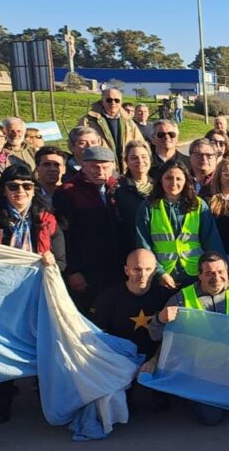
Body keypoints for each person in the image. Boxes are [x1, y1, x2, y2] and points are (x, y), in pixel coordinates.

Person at [0, 164, 64, 423]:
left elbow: (62, 258)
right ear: (3, 190)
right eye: (13, 186)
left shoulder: (46, 218)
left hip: (35, 290)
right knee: (4, 340)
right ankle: (4, 393)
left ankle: (42, 392)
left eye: (27, 186)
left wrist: (52, 263)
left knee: (39, 339)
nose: (20, 191)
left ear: (34, 189)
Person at [142, 252, 229, 425]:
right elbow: (155, 334)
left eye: (220, 272)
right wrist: (160, 319)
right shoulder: (182, 298)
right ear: (200, 275)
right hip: (200, 372)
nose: (216, 278)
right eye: (209, 273)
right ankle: (191, 396)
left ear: (227, 272)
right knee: (211, 418)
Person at [135, 159, 225, 289]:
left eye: (179, 179)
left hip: (197, 274)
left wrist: (218, 271)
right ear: (161, 180)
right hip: (163, 277)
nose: (174, 183)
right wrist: (160, 273)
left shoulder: (199, 205)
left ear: (186, 181)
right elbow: (144, 245)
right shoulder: (148, 207)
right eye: (169, 178)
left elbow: (212, 241)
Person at [53, 146, 122, 311]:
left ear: (113, 166)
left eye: (105, 167)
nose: (100, 171)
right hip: (87, 270)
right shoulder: (68, 192)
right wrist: (73, 271)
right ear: (83, 166)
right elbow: (65, 235)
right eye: (94, 166)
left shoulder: (118, 189)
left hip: (117, 266)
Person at [88, 249, 173, 368]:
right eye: (137, 269)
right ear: (126, 270)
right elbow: (96, 336)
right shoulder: (107, 298)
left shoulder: (165, 297)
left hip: (155, 360)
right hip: (117, 359)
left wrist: (155, 360)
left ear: (154, 271)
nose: (143, 275)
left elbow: (171, 336)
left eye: (148, 269)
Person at [76, 87, 143, 171]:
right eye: (109, 100)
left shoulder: (128, 122)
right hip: (100, 170)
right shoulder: (88, 121)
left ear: (121, 102)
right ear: (102, 101)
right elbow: (77, 147)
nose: (113, 103)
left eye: (117, 100)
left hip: (127, 171)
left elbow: (140, 144)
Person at [113, 141, 154, 254]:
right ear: (126, 161)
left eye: (144, 157)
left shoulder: (160, 185)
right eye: (134, 158)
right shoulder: (118, 188)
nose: (140, 161)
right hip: (132, 247)